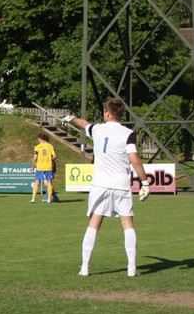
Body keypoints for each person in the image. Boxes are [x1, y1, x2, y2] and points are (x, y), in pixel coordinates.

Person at [63, 99, 150, 277]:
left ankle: (85, 267)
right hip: (120, 185)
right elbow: (134, 158)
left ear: (107, 113)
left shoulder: (98, 129)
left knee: (94, 224)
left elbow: (84, 123)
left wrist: (70, 118)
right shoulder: (129, 134)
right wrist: (144, 182)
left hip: (100, 184)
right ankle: (132, 269)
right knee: (128, 225)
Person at [31, 133, 57, 204]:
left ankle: (33, 198)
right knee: (49, 182)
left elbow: (35, 158)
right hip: (48, 167)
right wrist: (49, 159)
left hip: (40, 167)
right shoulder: (50, 146)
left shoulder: (37, 147)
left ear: (40, 138)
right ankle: (49, 199)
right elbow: (54, 156)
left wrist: (32, 167)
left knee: (37, 182)